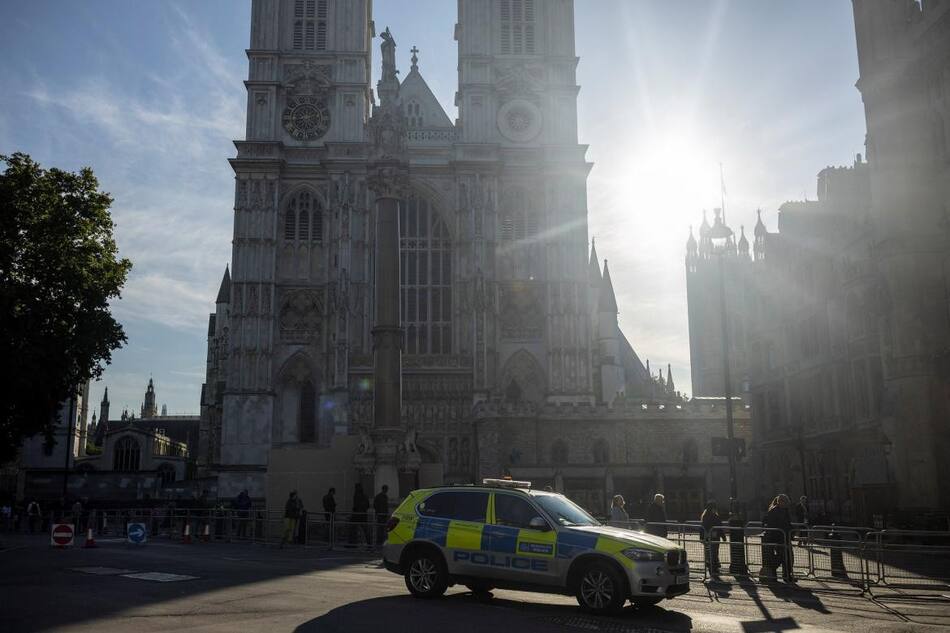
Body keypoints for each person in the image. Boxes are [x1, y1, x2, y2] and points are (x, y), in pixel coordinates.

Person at [761, 494, 794, 581]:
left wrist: (792, 531)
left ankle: (787, 575)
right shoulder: (774, 511)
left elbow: (787, 523)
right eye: (786, 502)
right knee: (783, 557)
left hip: (785, 536)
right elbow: (774, 524)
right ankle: (774, 571)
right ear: (781, 502)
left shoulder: (785, 510)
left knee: (789, 557)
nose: (787, 504)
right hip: (778, 537)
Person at [701, 501, 726, 575]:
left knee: (709, 552)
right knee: (714, 552)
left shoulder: (704, 516)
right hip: (715, 537)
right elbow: (720, 527)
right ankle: (714, 567)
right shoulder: (715, 516)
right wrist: (723, 537)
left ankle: (710, 565)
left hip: (707, 537)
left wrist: (702, 537)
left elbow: (702, 528)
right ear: (713, 508)